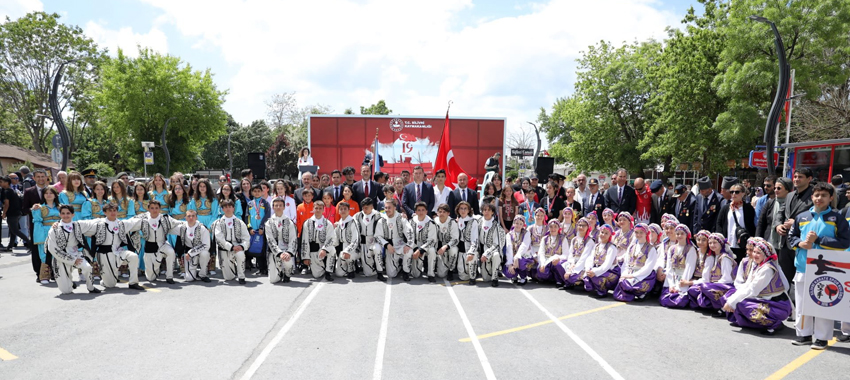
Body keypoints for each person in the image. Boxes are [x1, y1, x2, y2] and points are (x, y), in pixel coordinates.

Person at [787, 182, 850, 350]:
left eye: (823, 195)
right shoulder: (802, 217)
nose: (819, 198)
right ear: (812, 197)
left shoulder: (837, 218)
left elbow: (845, 241)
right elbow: (790, 238)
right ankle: (803, 334)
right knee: (801, 303)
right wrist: (800, 244)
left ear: (831, 198)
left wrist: (819, 241)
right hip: (802, 266)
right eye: (816, 195)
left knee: (823, 303)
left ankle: (821, 338)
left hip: (826, 269)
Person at [722, 237, 793, 335]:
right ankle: (749, 323)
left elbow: (752, 289)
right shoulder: (759, 265)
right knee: (732, 297)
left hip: (777, 305)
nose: (754, 255)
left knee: (741, 304)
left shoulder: (767, 269)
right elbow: (747, 285)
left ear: (766, 254)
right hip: (765, 300)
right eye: (753, 252)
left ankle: (774, 324)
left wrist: (732, 302)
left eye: (758, 253)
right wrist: (732, 300)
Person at [83, 202, 145, 290]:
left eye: (115, 210)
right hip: (105, 254)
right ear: (105, 212)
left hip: (119, 252)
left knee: (133, 256)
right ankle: (104, 280)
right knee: (110, 284)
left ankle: (133, 282)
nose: (113, 213)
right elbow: (82, 225)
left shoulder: (121, 223)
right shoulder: (98, 224)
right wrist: (60, 223)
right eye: (110, 211)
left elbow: (137, 221)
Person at [46, 205, 101, 294]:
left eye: (68, 213)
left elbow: (94, 222)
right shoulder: (54, 229)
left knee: (87, 267)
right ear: (60, 215)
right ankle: (70, 283)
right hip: (61, 258)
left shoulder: (78, 225)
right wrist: (72, 260)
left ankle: (91, 287)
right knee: (66, 291)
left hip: (76, 254)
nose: (65, 215)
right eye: (63, 213)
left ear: (73, 215)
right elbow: (52, 249)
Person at [132, 200, 182, 284]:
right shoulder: (142, 218)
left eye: (156, 208)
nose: (154, 210)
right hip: (150, 246)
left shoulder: (165, 218)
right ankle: (157, 264)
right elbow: (130, 223)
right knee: (151, 278)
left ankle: (169, 276)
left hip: (162, 244)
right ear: (148, 209)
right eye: (152, 208)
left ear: (160, 209)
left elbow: (179, 223)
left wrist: (196, 224)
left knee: (171, 252)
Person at [689, 233, 737, 315]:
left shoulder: (725, 258)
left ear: (721, 243)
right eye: (710, 243)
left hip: (725, 287)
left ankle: (720, 306)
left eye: (715, 243)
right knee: (693, 289)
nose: (712, 245)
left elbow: (727, 279)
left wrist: (710, 285)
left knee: (703, 286)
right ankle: (712, 305)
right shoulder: (715, 256)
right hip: (715, 286)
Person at [613, 223, 658, 302]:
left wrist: (633, 276)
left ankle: (641, 293)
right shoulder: (631, 246)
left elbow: (648, 268)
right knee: (623, 282)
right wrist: (624, 275)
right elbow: (626, 263)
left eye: (641, 232)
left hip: (644, 275)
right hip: (630, 272)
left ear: (646, 233)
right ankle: (634, 293)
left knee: (627, 284)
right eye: (637, 232)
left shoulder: (651, 249)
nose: (639, 235)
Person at [659, 224, 698, 308]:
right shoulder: (672, 249)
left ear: (687, 235)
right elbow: (669, 268)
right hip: (673, 277)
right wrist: (671, 285)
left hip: (683, 279)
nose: (679, 236)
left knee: (680, 300)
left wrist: (679, 286)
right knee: (665, 299)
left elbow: (689, 268)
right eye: (677, 233)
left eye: (682, 233)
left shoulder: (690, 249)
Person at [375, 199, 414, 279]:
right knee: (391, 274)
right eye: (385, 208)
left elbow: (409, 231)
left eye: (389, 208)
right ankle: (399, 264)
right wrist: (387, 245)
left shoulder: (401, 218)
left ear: (394, 208)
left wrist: (409, 244)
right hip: (389, 247)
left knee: (409, 251)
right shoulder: (381, 220)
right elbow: (377, 236)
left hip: (399, 244)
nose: (387, 210)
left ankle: (406, 271)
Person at [715, 183, 755, 261]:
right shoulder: (726, 208)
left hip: (742, 244)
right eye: (731, 192)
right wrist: (722, 239)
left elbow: (751, 225)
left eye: (737, 192)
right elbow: (719, 223)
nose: (733, 194)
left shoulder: (748, 208)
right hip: (728, 244)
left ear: (743, 193)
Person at [300, 200, 336, 281]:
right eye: (316, 208)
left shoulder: (328, 223)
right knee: (317, 275)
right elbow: (304, 240)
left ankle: (328, 271)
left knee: (332, 250)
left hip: (324, 247)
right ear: (313, 209)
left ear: (323, 210)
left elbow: (331, 238)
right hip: (314, 249)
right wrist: (306, 257)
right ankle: (323, 265)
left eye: (320, 208)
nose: (318, 210)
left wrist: (324, 249)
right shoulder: (307, 223)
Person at [265, 197, 298, 283]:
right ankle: (279, 271)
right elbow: (270, 240)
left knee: (288, 262)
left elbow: (293, 239)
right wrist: (279, 253)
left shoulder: (290, 222)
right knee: (273, 280)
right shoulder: (268, 223)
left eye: (280, 205)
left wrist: (288, 253)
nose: (278, 207)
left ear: (284, 207)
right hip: (275, 251)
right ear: (273, 207)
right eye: (276, 205)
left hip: (286, 250)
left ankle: (287, 273)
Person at [757, 177, 792, 255]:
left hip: (786, 245)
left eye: (779, 188)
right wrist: (757, 240)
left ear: (787, 190)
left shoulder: (792, 204)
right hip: (769, 243)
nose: (776, 190)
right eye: (775, 188)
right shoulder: (770, 203)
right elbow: (761, 223)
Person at [582, 224, 619, 297]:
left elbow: (607, 265)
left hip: (610, 271)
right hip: (597, 268)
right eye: (602, 232)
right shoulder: (596, 246)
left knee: (596, 276)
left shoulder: (611, 247)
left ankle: (603, 290)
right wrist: (588, 269)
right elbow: (590, 258)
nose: (603, 235)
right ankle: (595, 287)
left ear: (610, 235)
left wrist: (595, 271)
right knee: (586, 275)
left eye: (606, 233)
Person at [355, 198, 386, 281]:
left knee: (377, 249)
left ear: (372, 207)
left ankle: (380, 272)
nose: (364, 210)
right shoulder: (358, 215)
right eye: (363, 208)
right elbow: (349, 220)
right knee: (368, 273)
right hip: (363, 242)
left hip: (374, 241)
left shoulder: (378, 215)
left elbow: (389, 219)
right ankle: (367, 266)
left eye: (366, 208)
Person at [177, 209, 212, 283]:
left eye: (193, 216)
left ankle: (203, 274)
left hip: (199, 251)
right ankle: (194, 272)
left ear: (196, 217)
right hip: (188, 254)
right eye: (189, 216)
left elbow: (206, 245)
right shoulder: (182, 227)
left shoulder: (202, 228)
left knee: (205, 254)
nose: (191, 218)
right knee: (189, 278)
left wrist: (191, 253)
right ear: (185, 218)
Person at [474, 203, 503, 287]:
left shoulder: (496, 225)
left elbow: (496, 244)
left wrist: (487, 253)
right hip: (481, 250)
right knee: (486, 279)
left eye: (489, 210)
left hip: (492, 250)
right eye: (484, 210)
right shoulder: (479, 222)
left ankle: (495, 277)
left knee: (496, 255)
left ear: (492, 212)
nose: (486, 212)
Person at [408, 201, 437, 282]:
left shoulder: (431, 222)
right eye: (419, 210)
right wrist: (415, 248)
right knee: (416, 275)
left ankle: (431, 273)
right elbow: (409, 237)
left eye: (423, 210)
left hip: (427, 246)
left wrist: (420, 250)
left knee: (432, 251)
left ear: (426, 211)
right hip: (415, 245)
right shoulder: (411, 221)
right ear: (416, 212)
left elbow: (431, 240)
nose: (421, 212)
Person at [245, 184, 270, 276]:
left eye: (259, 191)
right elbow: (247, 216)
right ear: (252, 192)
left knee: (263, 249)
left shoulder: (265, 203)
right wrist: (250, 227)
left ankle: (265, 268)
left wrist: (262, 227)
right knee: (256, 249)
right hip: (253, 231)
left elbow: (267, 216)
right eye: (254, 191)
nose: (257, 193)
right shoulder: (250, 204)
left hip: (262, 230)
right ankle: (260, 268)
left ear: (262, 192)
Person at [1, 176, 30, 252]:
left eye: (2, 182)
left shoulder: (7, 191)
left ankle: (30, 243)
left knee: (15, 231)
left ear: (7, 183)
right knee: (13, 231)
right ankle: (10, 246)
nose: (1, 184)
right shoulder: (12, 190)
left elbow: (6, 204)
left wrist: (4, 213)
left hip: (12, 213)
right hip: (17, 213)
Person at [332, 201, 360, 279]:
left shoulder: (353, 222)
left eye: (345, 209)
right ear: (338, 211)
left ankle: (351, 268)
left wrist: (348, 250)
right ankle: (346, 265)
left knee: (349, 256)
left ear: (349, 210)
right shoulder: (339, 224)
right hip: (342, 249)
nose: (343, 211)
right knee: (339, 273)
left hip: (353, 249)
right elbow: (335, 240)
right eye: (341, 209)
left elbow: (355, 240)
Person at [535, 219, 568, 284]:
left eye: (555, 226)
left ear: (558, 228)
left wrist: (558, 258)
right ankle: (552, 278)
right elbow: (541, 253)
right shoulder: (544, 239)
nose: (553, 229)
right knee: (541, 272)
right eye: (551, 227)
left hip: (557, 260)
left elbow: (566, 254)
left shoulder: (563, 238)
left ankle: (559, 279)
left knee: (557, 264)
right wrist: (542, 264)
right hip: (547, 260)